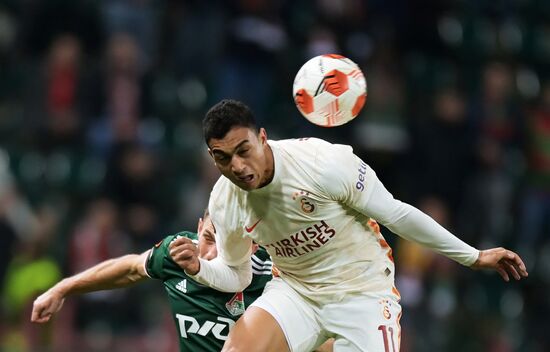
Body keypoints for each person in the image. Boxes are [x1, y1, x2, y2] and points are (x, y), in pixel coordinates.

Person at [169, 99, 528, 352]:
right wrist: (201, 269)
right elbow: (237, 275)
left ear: (262, 138)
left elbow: (397, 214)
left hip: (363, 293)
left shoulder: (322, 163)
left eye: (243, 150)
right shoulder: (224, 201)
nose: (236, 166)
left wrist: (472, 256)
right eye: (222, 158)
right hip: (297, 292)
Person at [30, 210, 273, 352]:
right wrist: (62, 289)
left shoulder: (273, 273)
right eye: (208, 238)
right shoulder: (179, 252)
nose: (211, 254)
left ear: (253, 246)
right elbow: (130, 268)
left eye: (227, 246)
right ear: (199, 227)